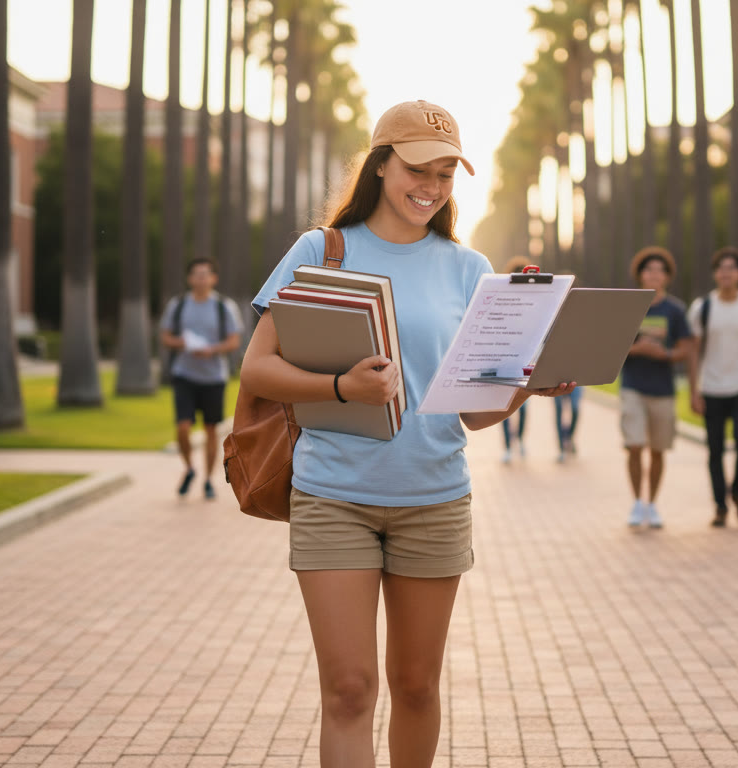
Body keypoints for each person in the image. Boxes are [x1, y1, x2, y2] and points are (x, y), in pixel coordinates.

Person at [239, 100, 573, 768]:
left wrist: (523, 389)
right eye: (420, 168)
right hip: (333, 494)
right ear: (381, 165)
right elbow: (258, 367)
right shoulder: (321, 251)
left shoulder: (469, 268)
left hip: (435, 499)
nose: (433, 185)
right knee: (349, 689)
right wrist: (343, 388)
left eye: (448, 172)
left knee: (417, 687)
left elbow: (473, 414)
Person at [687, 247, 738, 528]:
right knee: (715, 450)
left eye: (732, 268)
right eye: (721, 268)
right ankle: (720, 506)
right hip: (712, 388)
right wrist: (694, 391)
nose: (726, 272)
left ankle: (737, 492)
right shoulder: (702, 308)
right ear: (715, 274)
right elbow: (694, 352)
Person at [620, 246, 693, 528]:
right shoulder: (629, 306)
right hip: (633, 387)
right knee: (635, 445)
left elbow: (686, 346)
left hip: (663, 389)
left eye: (659, 271)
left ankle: (653, 503)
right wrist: (637, 349)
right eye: (649, 270)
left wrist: (666, 355)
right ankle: (637, 502)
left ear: (667, 277)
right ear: (640, 275)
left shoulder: (675, 310)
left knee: (659, 450)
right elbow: (614, 344)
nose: (654, 275)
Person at [158, 258, 244, 500]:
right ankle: (189, 468)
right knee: (183, 427)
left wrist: (212, 350)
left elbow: (234, 341)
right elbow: (165, 337)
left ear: (213, 278)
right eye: (196, 274)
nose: (201, 278)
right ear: (189, 278)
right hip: (184, 375)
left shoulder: (223, 307)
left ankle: (207, 479)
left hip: (213, 378)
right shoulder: (179, 305)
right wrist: (182, 343)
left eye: (205, 274)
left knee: (210, 430)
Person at [499, 257, 532, 464]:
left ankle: (518, 440)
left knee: (522, 407)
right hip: (505, 362)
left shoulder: (535, 303)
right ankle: (508, 446)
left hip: (524, 363)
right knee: (502, 407)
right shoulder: (505, 300)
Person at [553, 385, 582, 463]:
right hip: (558, 380)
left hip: (577, 380)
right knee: (559, 411)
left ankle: (569, 437)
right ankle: (562, 448)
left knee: (575, 409)